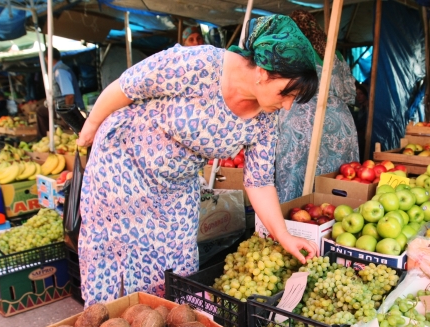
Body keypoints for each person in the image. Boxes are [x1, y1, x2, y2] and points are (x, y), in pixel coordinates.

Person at [75, 15, 319, 306]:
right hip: (123, 167)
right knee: (115, 255)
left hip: (175, 188)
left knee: (174, 268)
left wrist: (284, 235)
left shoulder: (266, 119)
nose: (288, 105)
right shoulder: (197, 64)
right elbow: (126, 88)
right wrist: (90, 128)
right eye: (287, 93)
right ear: (264, 73)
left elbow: (260, 180)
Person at [274, 10, 360, 203]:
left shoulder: (292, 50)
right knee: (336, 180)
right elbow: (349, 94)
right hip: (340, 124)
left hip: (300, 121)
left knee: (296, 178)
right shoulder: (333, 52)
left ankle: (294, 220)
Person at [36, 48, 85, 137]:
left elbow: (69, 96)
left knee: (40, 111)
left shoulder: (60, 71)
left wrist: (67, 117)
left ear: (47, 58)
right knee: (42, 110)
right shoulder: (58, 70)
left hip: (71, 109)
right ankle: (47, 137)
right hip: (61, 106)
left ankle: (43, 137)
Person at [353, 83, 369, 161]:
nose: (358, 96)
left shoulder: (368, 109)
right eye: (357, 94)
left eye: (361, 94)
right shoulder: (360, 108)